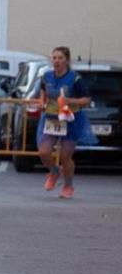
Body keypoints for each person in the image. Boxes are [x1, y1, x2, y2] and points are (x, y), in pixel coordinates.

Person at [33, 46, 95, 200]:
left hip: (70, 119)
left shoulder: (75, 78)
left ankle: (68, 185)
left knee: (65, 156)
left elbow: (87, 100)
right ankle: (54, 172)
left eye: (60, 58)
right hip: (52, 118)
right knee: (44, 152)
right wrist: (42, 102)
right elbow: (43, 90)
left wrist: (69, 100)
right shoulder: (46, 76)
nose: (57, 61)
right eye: (54, 58)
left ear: (67, 60)